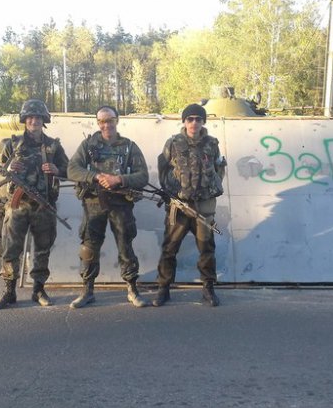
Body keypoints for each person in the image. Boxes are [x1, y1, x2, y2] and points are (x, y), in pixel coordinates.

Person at [0, 99, 69, 310]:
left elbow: (69, 170)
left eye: (38, 118)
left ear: (44, 120)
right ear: (25, 120)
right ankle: (9, 291)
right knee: (10, 249)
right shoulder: (11, 144)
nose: (34, 121)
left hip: (44, 206)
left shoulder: (53, 146)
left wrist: (55, 168)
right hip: (17, 207)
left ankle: (39, 289)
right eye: (31, 117)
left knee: (42, 249)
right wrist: (9, 166)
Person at [67, 105, 150, 308]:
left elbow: (143, 176)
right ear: (98, 123)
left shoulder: (129, 146)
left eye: (110, 120)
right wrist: (94, 176)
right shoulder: (88, 145)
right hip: (94, 203)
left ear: (117, 120)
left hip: (121, 204)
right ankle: (87, 291)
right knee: (89, 248)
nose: (106, 125)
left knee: (125, 246)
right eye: (102, 121)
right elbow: (72, 169)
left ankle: (132, 289)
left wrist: (119, 179)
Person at [154, 103, 226, 307]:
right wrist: (171, 194)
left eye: (198, 119)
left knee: (206, 249)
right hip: (179, 207)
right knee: (170, 248)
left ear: (203, 121)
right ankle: (163, 288)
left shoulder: (212, 144)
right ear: (184, 121)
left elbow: (219, 169)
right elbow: (163, 170)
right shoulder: (173, 143)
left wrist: (213, 189)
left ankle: (208, 289)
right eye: (190, 119)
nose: (194, 122)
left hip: (204, 206)